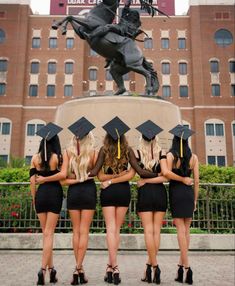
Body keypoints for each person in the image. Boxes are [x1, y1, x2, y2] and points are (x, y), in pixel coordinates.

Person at [35, 117, 98, 285]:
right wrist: (84, 177)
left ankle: (77, 269)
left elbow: (63, 179)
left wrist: (76, 179)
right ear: (88, 137)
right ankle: (78, 268)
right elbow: (97, 174)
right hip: (89, 191)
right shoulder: (93, 152)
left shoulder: (68, 152)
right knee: (84, 232)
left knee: (76, 231)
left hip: (74, 193)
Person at [88, 116, 137, 285]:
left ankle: (112, 266)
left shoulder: (103, 150)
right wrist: (119, 175)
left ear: (108, 136)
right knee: (116, 230)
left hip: (108, 192)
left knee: (110, 229)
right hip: (123, 191)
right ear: (123, 136)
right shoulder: (128, 150)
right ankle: (113, 266)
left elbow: (100, 176)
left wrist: (110, 181)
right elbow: (132, 174)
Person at [133, 120, 168, 284]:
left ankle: (154, 266)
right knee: (156, 232)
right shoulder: (162, 153)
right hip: (160, 192)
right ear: (155, 139)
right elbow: (165, 177)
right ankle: (150, 266)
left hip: (145, 193)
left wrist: (145, 181)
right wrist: (156, 178)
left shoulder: (137, 153)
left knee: (148, 231)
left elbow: (136, 175)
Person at [30, 122, 63, 285]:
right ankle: (43, 269)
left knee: (46, 234)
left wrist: (33, 198)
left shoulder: (35, 158)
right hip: (55, 194)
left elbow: (32, 181)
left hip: (41, 195)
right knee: (49, 234)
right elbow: (62, 177)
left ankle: (52, 270)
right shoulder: (57, 158)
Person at [167, 125, 199, 285]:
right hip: (188, 194)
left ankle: (187, 267)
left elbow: (166, 174)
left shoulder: (171, 156)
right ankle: (180, 267)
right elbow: (197, 181)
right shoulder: (194, 157)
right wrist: (195, 200)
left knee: (181, 230)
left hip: (176, 193)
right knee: (186, 231)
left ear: (174, 140)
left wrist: (179, 179)